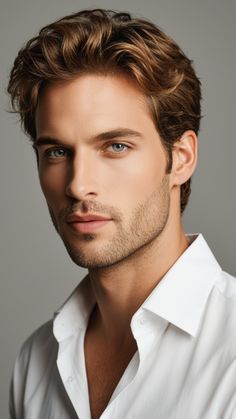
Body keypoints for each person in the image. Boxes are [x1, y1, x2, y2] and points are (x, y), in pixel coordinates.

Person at [7, 8, 236, 419]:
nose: (78, 185)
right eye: (57, 152)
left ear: (180, 159)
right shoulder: (36, 360)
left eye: (115, 146)